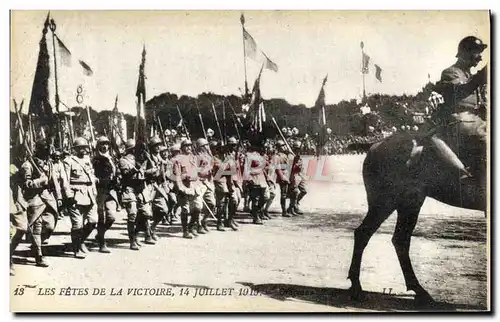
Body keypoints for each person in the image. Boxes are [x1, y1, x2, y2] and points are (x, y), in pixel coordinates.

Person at [412, 36, 488, 179]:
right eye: (477, 52)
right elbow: (462, 90)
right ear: (466, 52)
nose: (480, 57)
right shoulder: (451, 72)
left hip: (474, 119)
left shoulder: (468, 74)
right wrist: (484, 74)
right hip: (459, 120)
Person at [64, 137, 98, 259]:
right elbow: (65, 180)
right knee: (77, 224)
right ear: (76, 149)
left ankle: (81, 240)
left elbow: (91, 176)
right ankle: (76, 248)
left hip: (89, 194)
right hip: (76, 194)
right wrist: (68, 196)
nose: (84, 150)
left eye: (85, 147)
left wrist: (94, 191)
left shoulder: (88, 160)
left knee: (93, 220)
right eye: (81, 148)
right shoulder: (69, 161)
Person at [92, 136, 119, 253]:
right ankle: (102, 243)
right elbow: (93, 175)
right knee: (101, 218)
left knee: (111, 217)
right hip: (100, 191)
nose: (105, 146)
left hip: (111, 190)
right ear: (98, 146)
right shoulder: (95, 160)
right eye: (102, 144)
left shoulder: (112, 158)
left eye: (107, 144)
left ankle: (99, 234)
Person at [172, 139, 203, 239]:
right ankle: (185, 231)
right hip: (184, 187)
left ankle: (191, 227)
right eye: (186, 146)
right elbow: (176, 176)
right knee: (185, 209)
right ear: (182, 148)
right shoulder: (178, 159)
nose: (189, 147)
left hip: (195, 186)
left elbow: (197, 172)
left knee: (198, 207)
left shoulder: (193, 158)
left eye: (190, 145)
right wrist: (181, 186)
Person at [196, 137, 216, 234]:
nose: (208, 147)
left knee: (212, 204)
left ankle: (204, 220)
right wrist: (205, 171)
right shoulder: (196, 157)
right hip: (200, 183)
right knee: (198, 206)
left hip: (208, 183)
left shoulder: (209, 156)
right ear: (201, 147)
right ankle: (198, 224)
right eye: (205, 145)